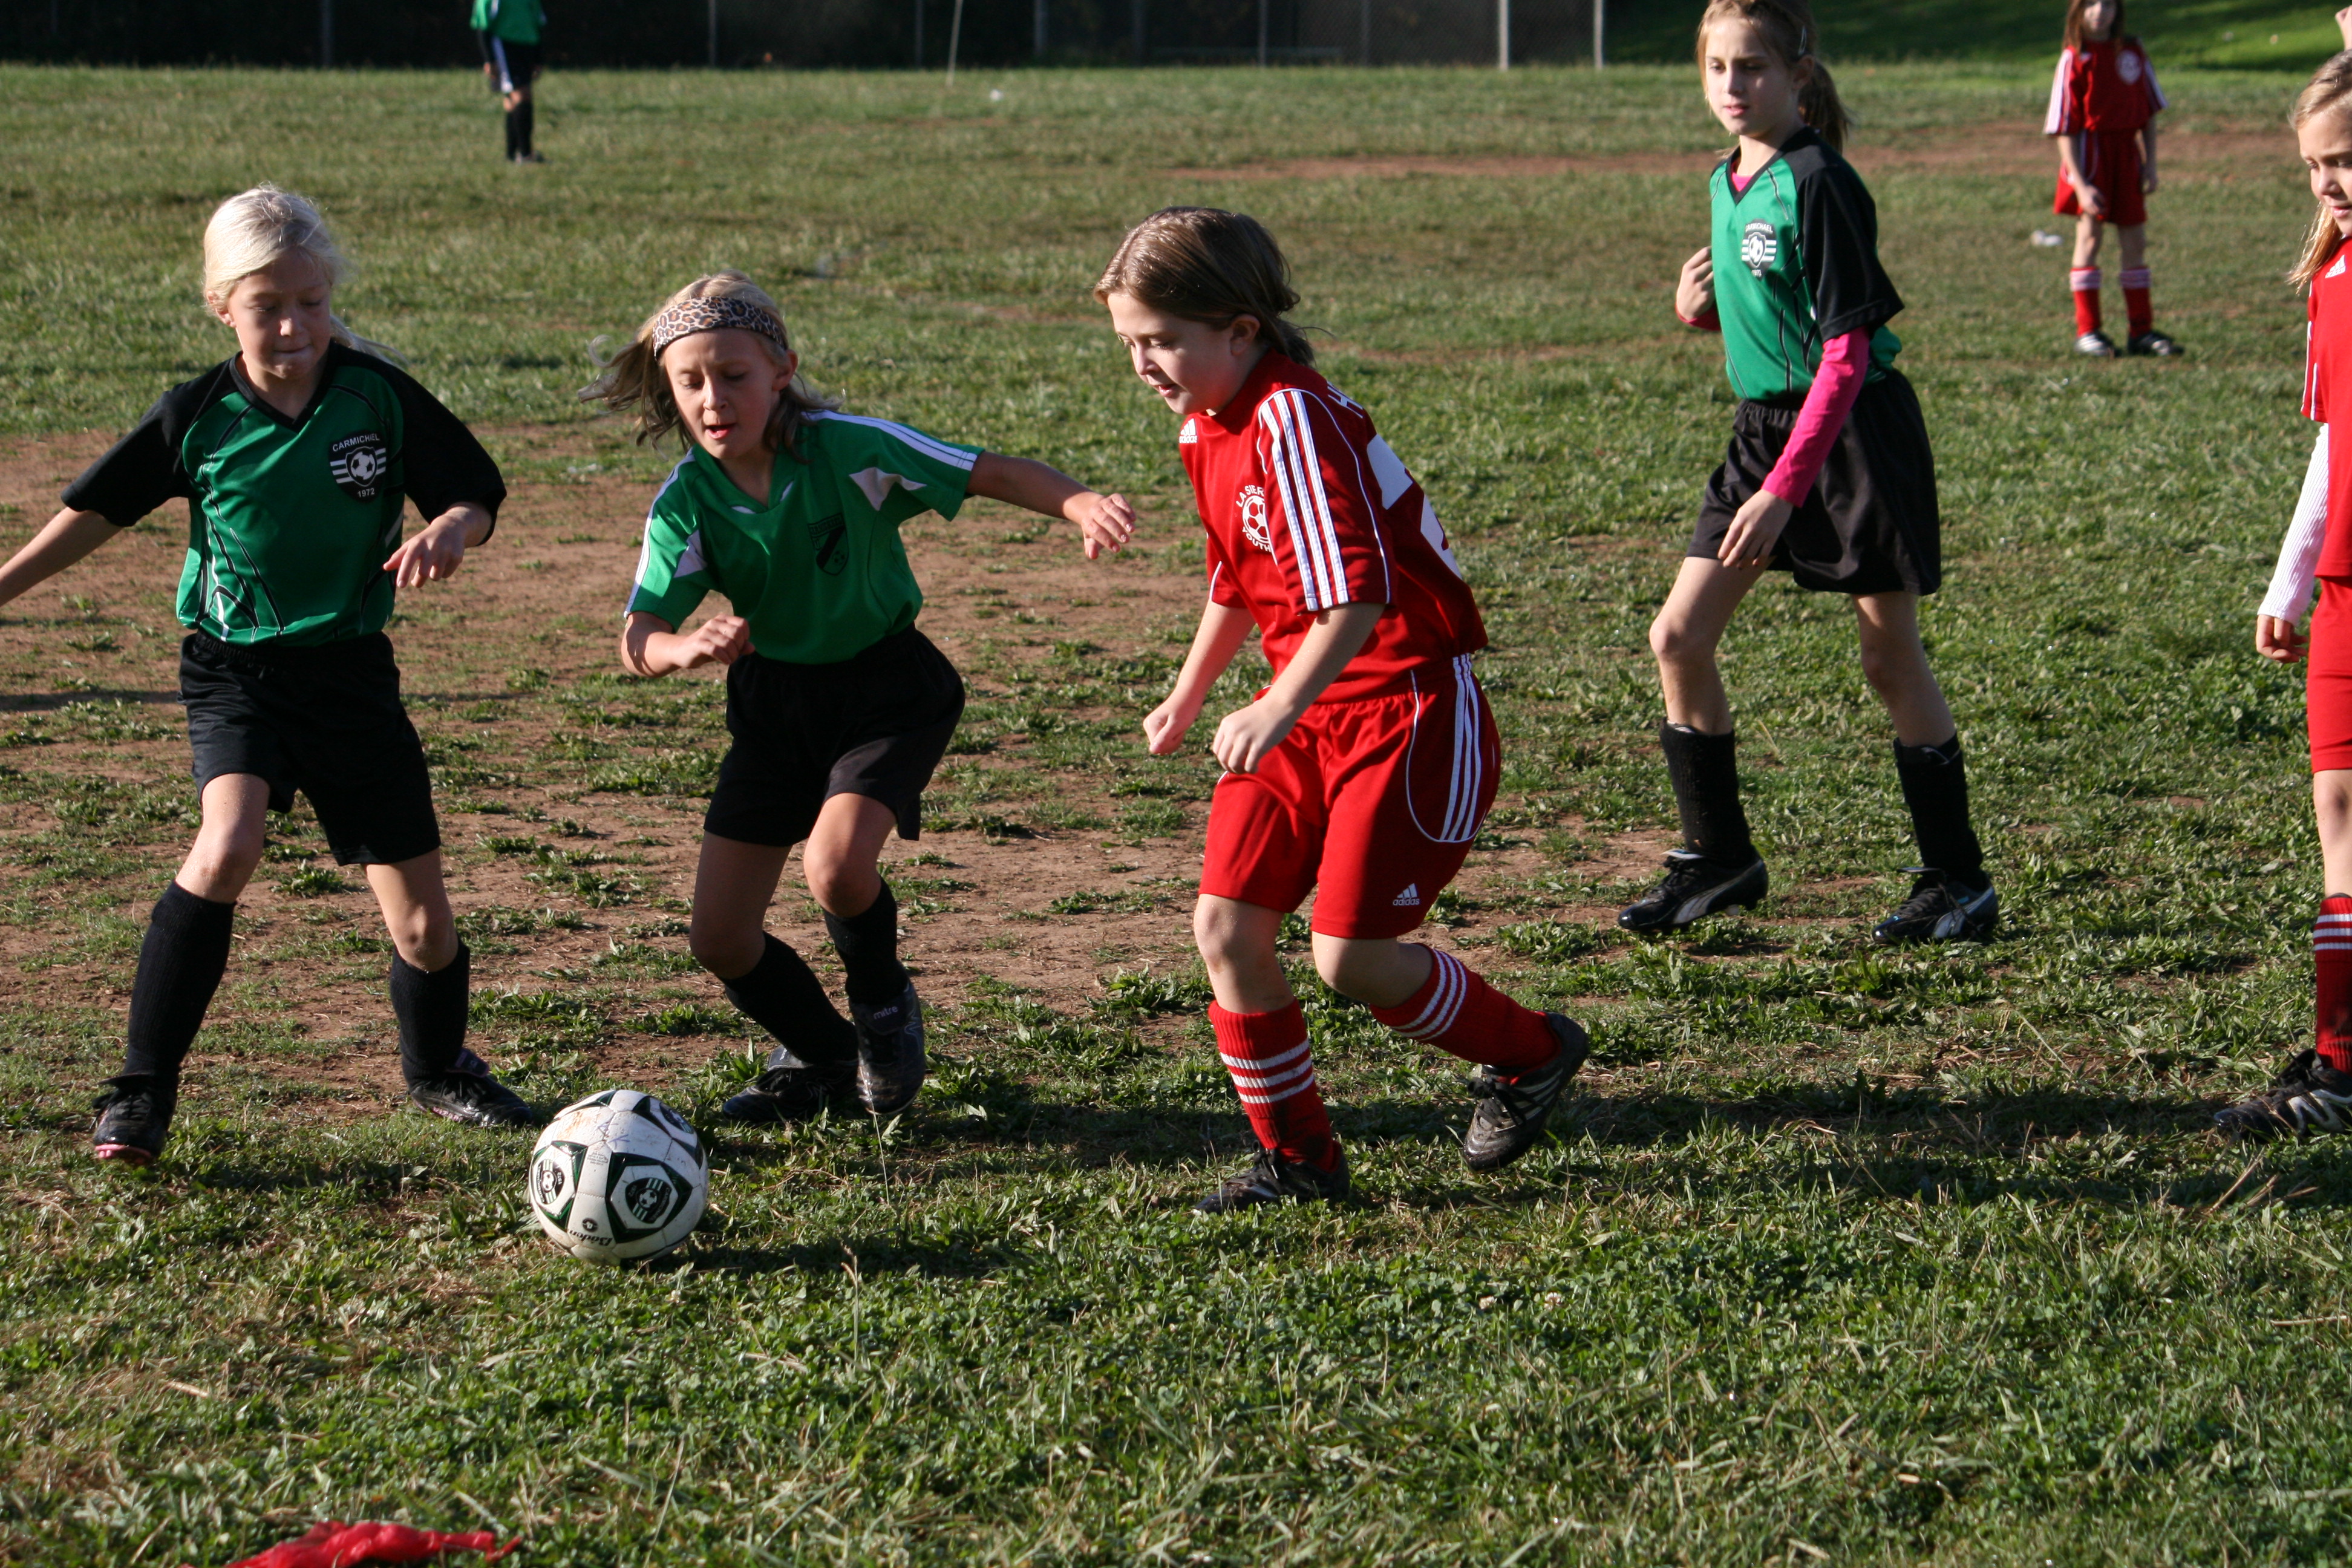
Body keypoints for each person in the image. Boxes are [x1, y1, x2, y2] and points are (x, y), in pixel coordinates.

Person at [0, 185, 537, 1166]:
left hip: (350, 676)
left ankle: (437, 1069)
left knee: (424, 927)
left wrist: (455, 527)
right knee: (228, 842)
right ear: (222, 307)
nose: (293, 327)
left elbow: (473, 489)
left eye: (311, 303)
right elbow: (97, 511)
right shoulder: (197, 415)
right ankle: (140, 1092)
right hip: (235, 668)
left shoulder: (376, 396)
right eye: (267, 307)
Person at [1097, 208, 1590, 1212]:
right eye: (1129, 344)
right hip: (1305, 709)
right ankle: (1300, 1162)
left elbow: (1358, 597)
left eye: (1162, 340)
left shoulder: (1292, 416)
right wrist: (1190, 692)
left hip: (1403, 710)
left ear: (1241, 331)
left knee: (1351, 959)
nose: (1143, 364)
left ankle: (1533, 1053)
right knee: (1226, 928)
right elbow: (1240, 575)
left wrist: (1276, 703)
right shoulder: (1207, 423)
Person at [586, 272, 1134, 1125]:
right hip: (774, 709)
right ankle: (830, 1057)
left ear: (782, 371)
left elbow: (985, 471)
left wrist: (1080, 502)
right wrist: (680, 648)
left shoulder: (849, 450)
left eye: (733, 375)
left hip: (887, 690)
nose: (713, 398)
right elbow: (639, 634)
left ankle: (883, 1007)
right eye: (689, 382)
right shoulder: (687, 502)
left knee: (837, 870)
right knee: (719, 938)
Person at [1625, 0, 1997, 947]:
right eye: (1717, 67)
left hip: (1854, 436)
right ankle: (1720, 857)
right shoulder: (1727, 177)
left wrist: (1785, 488)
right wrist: (1696, 311)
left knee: (1888, 659)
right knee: (1678, 637)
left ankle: (1958, 884)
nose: (1733, 86)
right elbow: (1773, 311)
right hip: (1764, 433)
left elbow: (1846, 349)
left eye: (1752, 67)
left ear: (1797, 74)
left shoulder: (1821, 182)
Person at [2229, 51, 2352, 1138]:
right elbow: (2331, 444)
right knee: (2338, 814)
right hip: (2345, 593)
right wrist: (2291, 575)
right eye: (2315, 163)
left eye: (2348, 158)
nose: (2329, 182)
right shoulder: (2333, 275)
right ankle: (2340, 1060)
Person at [2045, 0, 2179, 357]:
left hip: (2127, 155)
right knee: (2089, 238)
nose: (2100, 11)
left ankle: (2141, 331)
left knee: (2135, 242)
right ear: (2078, 10)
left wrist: (2150, 164)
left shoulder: (2132, 52)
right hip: (2090, 158)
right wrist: (2080, 184)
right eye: (2091, 3)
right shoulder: (2074, 58)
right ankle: (2088, 331)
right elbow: (2063, 127)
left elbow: (2148, 112)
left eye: (2108, 3)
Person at [473, 0, 547, 164]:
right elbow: (483, 22)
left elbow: (538, 20)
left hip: (528, 44)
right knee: (523, 95)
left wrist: (538, 58)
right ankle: (526, 155)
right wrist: (489, 59)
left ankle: (512, 155)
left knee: (512, 98)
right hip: (505, 44)